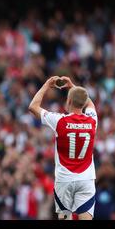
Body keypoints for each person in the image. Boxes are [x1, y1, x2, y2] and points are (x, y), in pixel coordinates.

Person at [28, 76, 98, 220]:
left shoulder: (60, 121)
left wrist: (46, 85)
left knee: (65, 217)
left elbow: (33, 106)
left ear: (69, 101)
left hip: (64, 180)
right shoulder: (92, 120)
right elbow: (90, 104)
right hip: (86, 179)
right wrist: (73, 86)